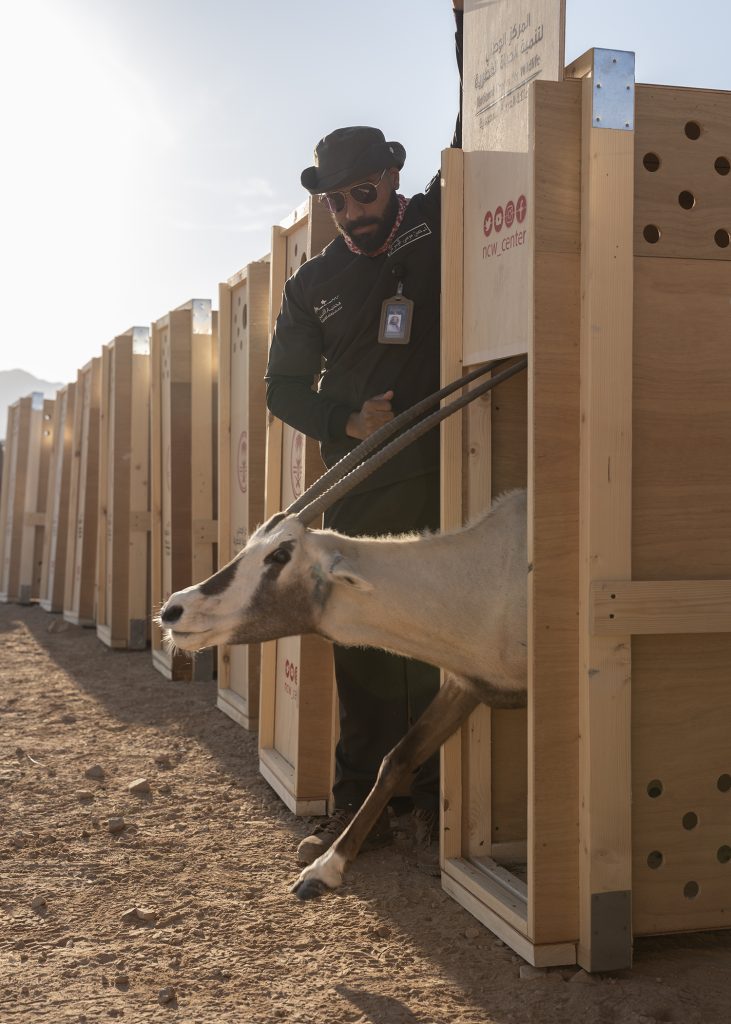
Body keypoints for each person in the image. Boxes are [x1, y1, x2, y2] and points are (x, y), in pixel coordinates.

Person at [265, 2, 463, 870]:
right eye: (337, 199)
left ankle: (441, 803)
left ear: (393, 177)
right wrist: (343, 419)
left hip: (451, 475)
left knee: (445, 646)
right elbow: (278, 388)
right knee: (366, 658)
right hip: (360, 490)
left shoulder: (438, 219)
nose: (352, 211)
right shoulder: (313, 284)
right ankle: (361, 810)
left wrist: (470, 25)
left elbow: (479, 114)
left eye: (364, 191)